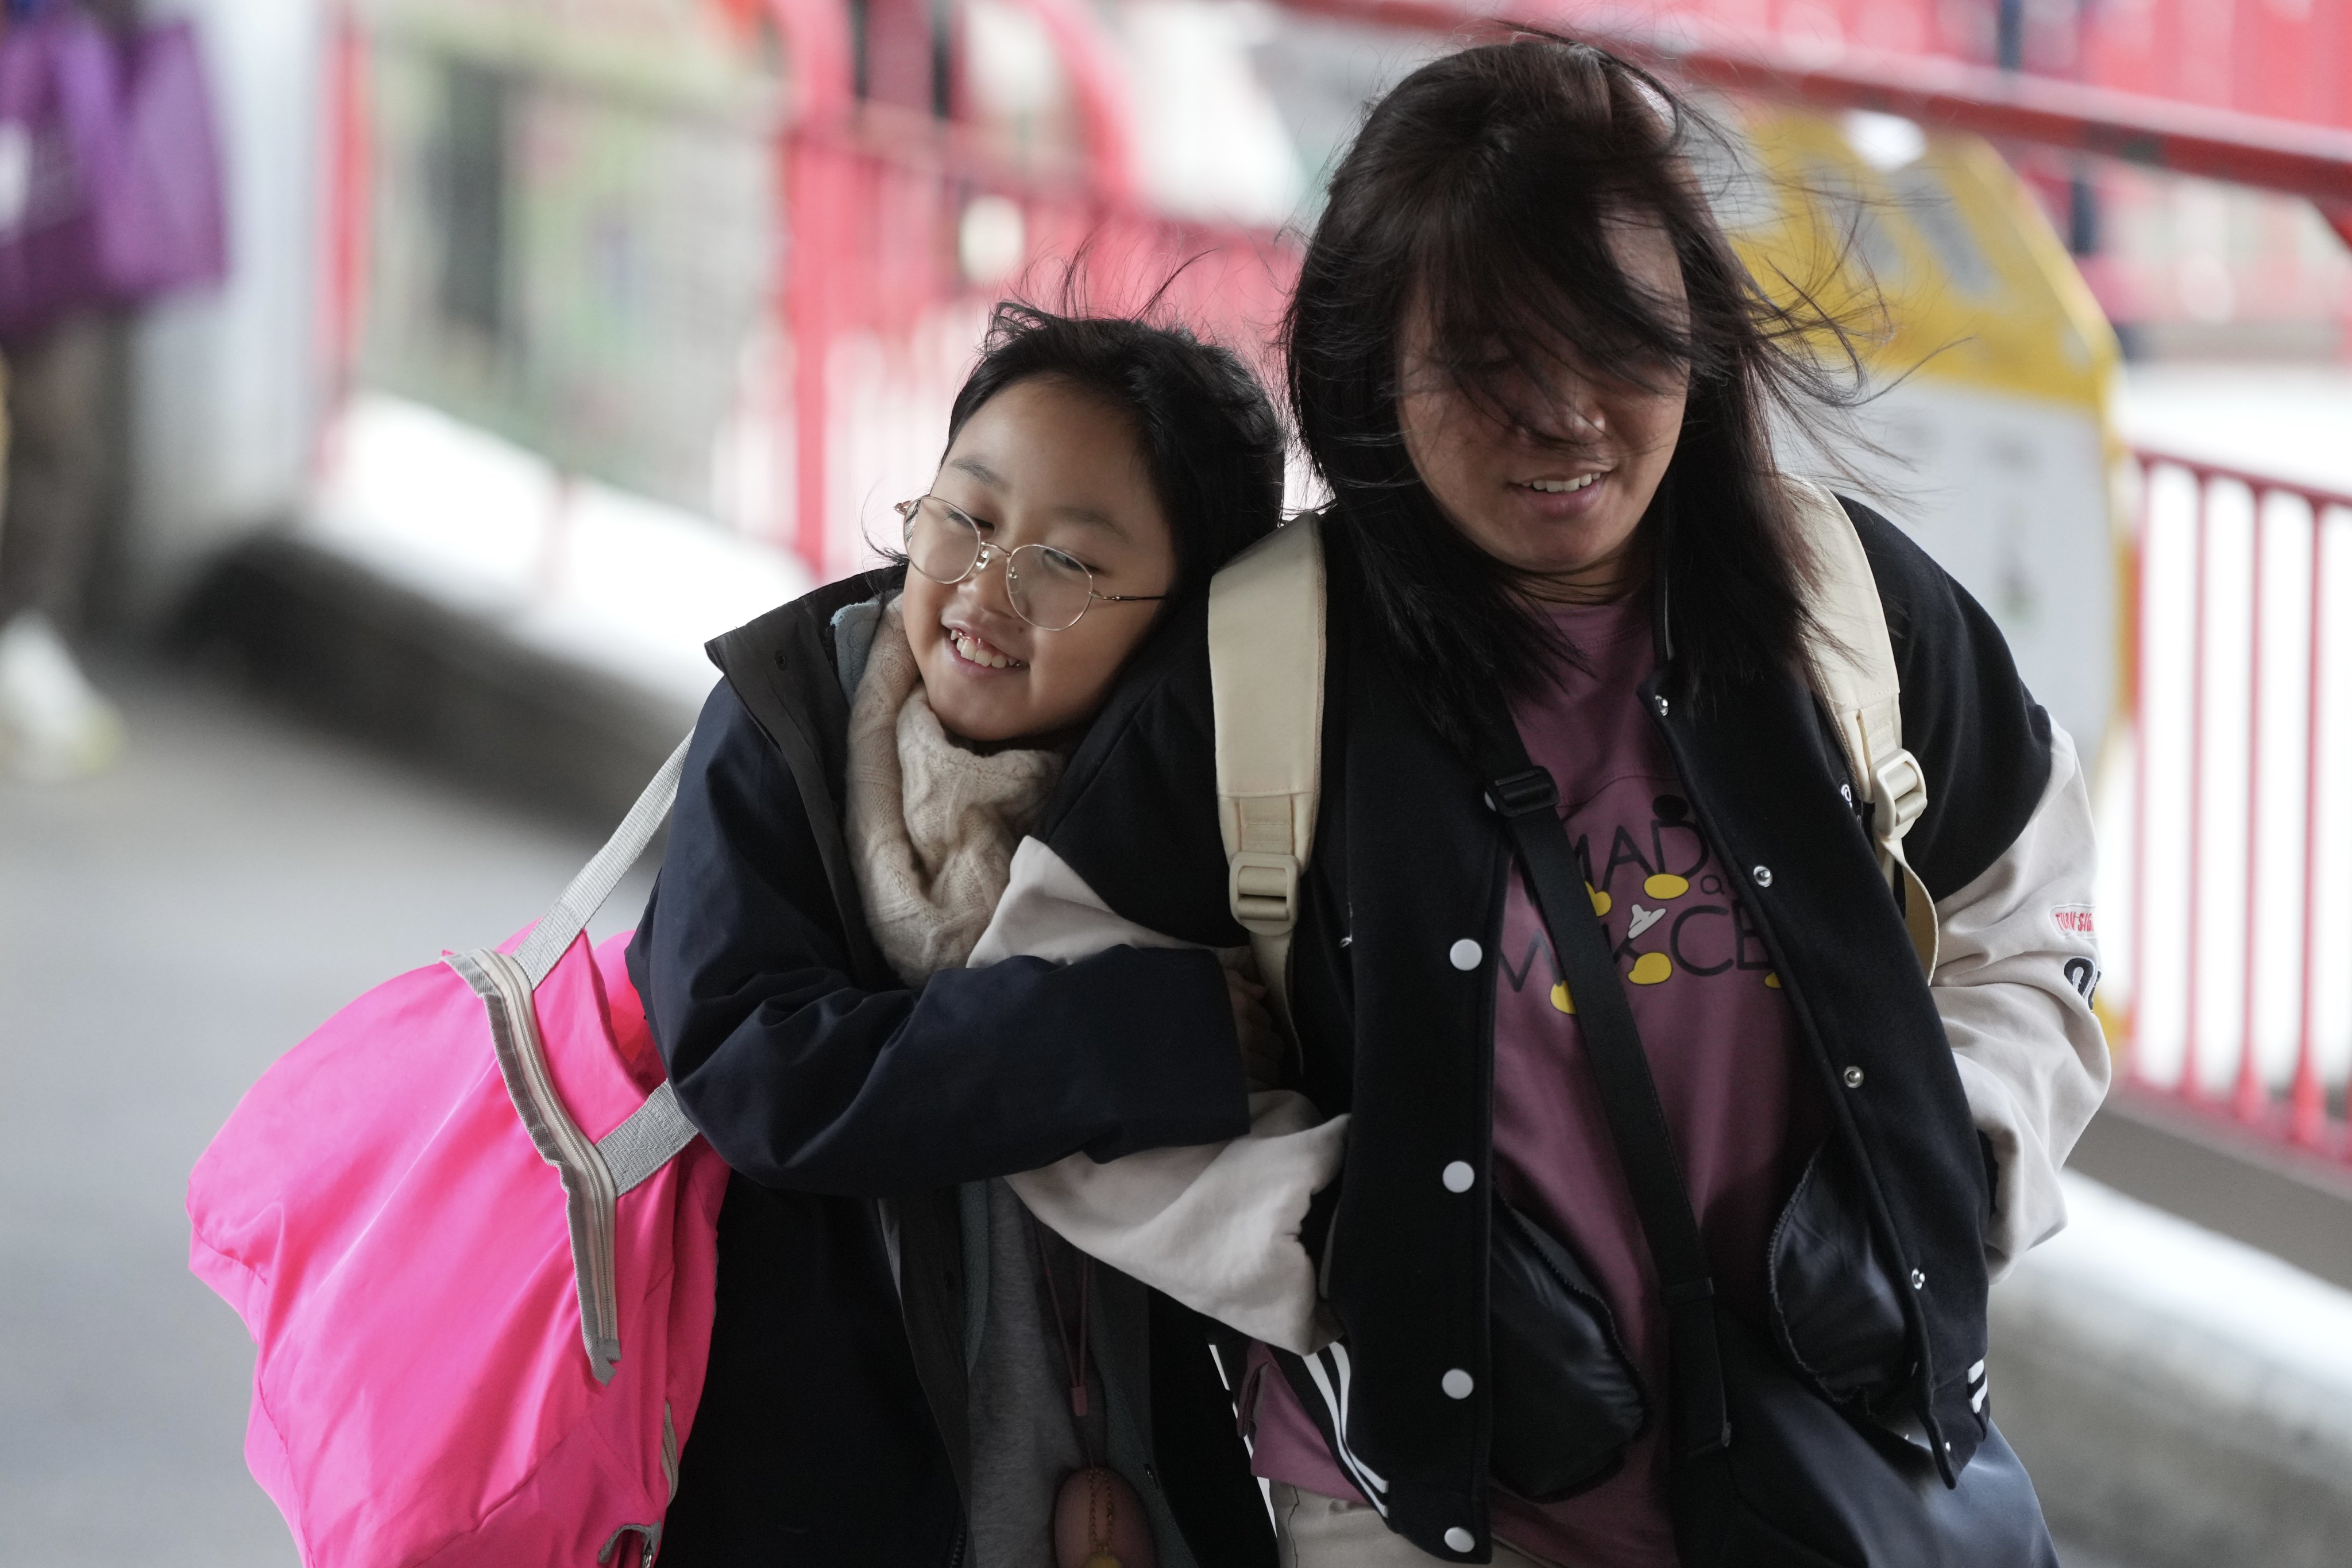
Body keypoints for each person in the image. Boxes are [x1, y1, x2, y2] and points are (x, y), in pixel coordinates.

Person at [984, 38, 2110, 1566]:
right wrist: (1346, 1244)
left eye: (1623, 344)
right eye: (1491, 365)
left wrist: (1946, 1160)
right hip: (1421, 1514)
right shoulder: (1263, 668)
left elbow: (2029, 930)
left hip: (1832, 1480)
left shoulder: (1842, 609)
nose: (1570, 416)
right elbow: (1033, 1056)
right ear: (1371, 365)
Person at [625, 303, 1292, 1566]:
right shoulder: (786, 727)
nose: (988, 591)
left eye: (1066, 562)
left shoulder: (1215, 798)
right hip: (822, 1482)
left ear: (1181, 612)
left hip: (1120, 1470)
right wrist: (1129, 1036)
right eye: (967, 521)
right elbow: (758, 1072)